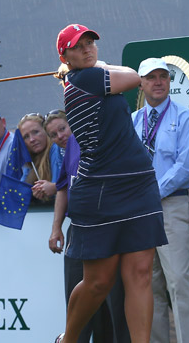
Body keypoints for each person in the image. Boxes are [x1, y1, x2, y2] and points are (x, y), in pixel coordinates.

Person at [54, 24, 167, 343]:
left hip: (138, 184)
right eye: (79, 46)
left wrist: (92, 65)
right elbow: (135, 77)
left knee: (140, 275)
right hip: (101, 190)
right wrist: (99, 66)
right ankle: (70, 339)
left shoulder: (84, 76)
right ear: (66, 55)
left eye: (91, 43)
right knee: (98, 282)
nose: (88, 48)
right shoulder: (85, 78)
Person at [130, 58, 189, 343]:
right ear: (141, 83)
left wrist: (150, 194)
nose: (158, 82)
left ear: (169, 82)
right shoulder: (133, 121)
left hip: (172, 206)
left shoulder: (184, 117)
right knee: (149, 285)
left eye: (163, 76)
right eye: (152, 77)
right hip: (141, 213)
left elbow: (186, 167)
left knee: (179, 283)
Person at [48, 110, 130, 342]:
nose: (60, 135)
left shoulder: (107, 137)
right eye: (54, 134)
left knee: (115, 301)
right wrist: (56, 228)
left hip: (109, 227)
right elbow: (63, 188)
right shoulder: (72, 146)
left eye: (62, 129)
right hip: (78, 229)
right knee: (77, 303)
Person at [18, 113, 63, 201]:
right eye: (26, 137)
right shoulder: (30, 160)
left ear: (46, 131)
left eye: (35, 132)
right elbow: (20, 191)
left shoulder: (56, 148)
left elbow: (59, 188)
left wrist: (50, 189)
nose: (32, 139)